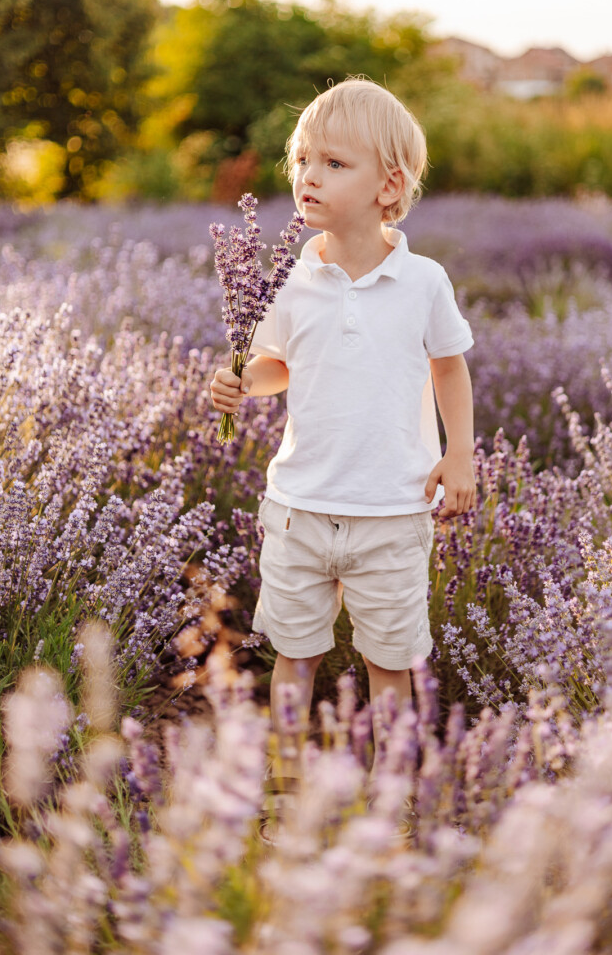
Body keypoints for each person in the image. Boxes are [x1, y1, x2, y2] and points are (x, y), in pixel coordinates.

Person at [210, 76, 475, 776]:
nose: (308, 177)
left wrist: (460, 458)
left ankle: (393, 793)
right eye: (302, 161)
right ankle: (289, 787)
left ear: (389, 187)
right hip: (300, 506)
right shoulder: (288, 283)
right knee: (294, 655)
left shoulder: (424, 282)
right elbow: (278, 366)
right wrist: (241, 380)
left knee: (389, 662)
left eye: (333, 164)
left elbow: (450, 369)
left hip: (391, 508)